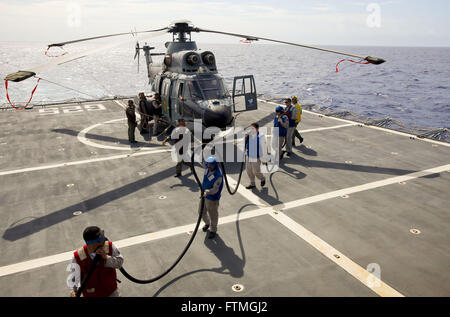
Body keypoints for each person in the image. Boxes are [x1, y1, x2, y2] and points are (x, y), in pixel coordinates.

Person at [69, 226, 124, 297]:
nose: (104, 240)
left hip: (111, 292)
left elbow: (119, 262)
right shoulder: (78, 257)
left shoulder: (108, 246)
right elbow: (74, 278)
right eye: (101, 238)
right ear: (91, 243)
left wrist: (106, 258)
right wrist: (74, 291)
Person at [201, 156, 224, 239]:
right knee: (201, 212)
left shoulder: (218, 175)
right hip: (204, 195)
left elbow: (215, 189)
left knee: (213, 215)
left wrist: (208, 191)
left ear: (215, 165)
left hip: (212, 198)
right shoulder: (207, 168)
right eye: (208, 164)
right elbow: (202, 161)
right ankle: (207, 223)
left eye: (211, 165)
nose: (209, 166)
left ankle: (213, 230)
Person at [245, 123, 267, 190]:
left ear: (257, 129)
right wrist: (246, 137)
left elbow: (264, 148)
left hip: (256, 157)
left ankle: (262, 178)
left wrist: (264, 160)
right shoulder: (249, 135)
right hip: (249, 155)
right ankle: (252, 183)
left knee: (256, 171)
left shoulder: (261, 136)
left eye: (253, 128)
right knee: (248, 170)